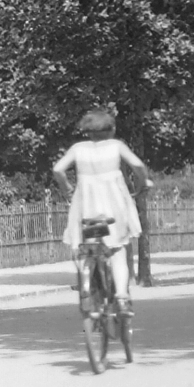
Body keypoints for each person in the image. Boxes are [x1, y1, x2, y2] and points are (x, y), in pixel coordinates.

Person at [52, 108, 147, 313]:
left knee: (86, 247)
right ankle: (122, 296)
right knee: (118, 251)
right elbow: (138, 165)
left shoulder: (78, 149)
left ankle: (86, 284)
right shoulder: (116, 146)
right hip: (114, 206)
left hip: (86, 207)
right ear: (111, 129)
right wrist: (143, 181)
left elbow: (58, 169)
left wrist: (67, 188)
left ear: (87, 131)